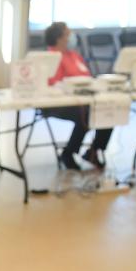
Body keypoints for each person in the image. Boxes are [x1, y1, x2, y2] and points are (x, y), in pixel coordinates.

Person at [41, 22, 113, 170]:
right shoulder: (51, 57)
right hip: (59, 104)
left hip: (83, 99)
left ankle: (94, 151)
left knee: (109, 109)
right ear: (59, 38)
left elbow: (87, 76)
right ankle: (68, 153)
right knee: (86, 114)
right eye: (68, 34)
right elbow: (53, 84)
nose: (72, 37)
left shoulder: (74, 55)